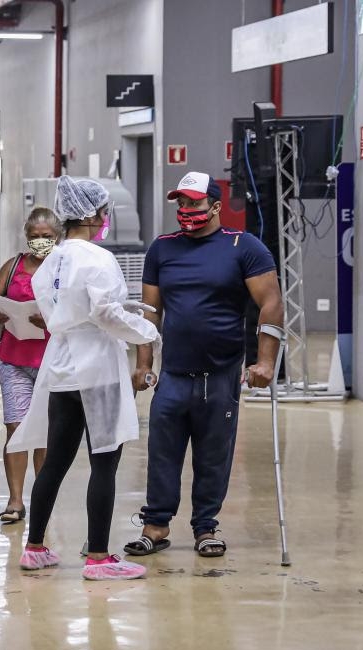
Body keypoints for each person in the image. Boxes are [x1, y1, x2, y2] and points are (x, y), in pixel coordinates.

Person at [124, 171, 283, 560]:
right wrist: (144, 364)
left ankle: (206, 527)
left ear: (215, 205)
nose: (185, 210)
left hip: (222, 372)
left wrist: (265, 361)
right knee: (163, 450)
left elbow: (271, 303)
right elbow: (149, 313)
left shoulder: (244, 247)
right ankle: (156, 525)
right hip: (175, 372)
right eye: (180, 202)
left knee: (214, 454)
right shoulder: (162, 249)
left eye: (193, 203)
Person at [10, 176, 160, 581]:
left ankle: (35, 546)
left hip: (60, 367)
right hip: (97, 369)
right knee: (105, 462)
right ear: (94, 214)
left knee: (55, 462)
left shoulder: (50, 263)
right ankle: (98, 557)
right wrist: (147, 331)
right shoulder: (98, 259)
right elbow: (107, 314)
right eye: (104, 212)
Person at [0, 207, 60, 524]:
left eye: (47, 237)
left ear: (58, 237)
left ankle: (43, 497)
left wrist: (51, 316)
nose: (41, 242)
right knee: (15, 427)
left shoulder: (64, 267)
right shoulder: (14, 266)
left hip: (52, 361)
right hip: (14, 359)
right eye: (35, 237)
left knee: (45, 433)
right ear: (27, 237)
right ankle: (14, 500)